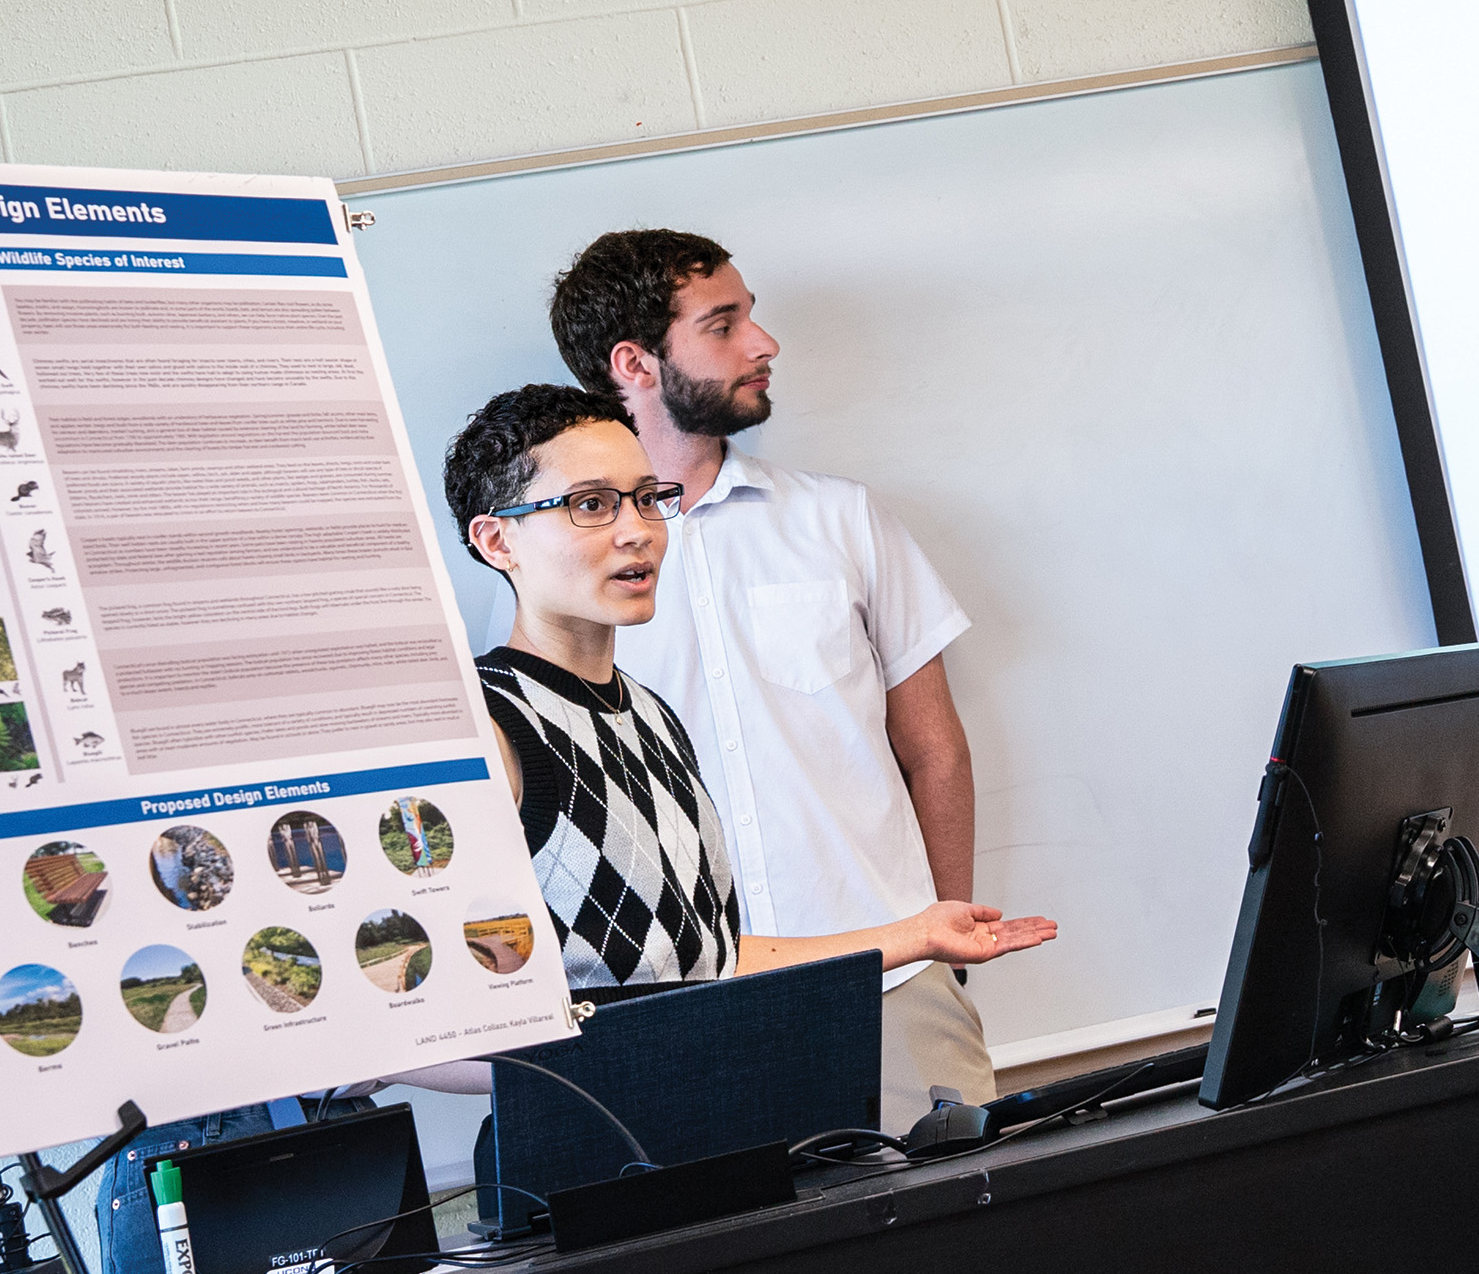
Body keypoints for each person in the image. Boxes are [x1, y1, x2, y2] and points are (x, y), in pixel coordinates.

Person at [548, 231, 997, 1124]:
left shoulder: (843, 521)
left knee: (966, 1248)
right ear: (634, 362)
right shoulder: (556, 571)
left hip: (893, 990)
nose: (764, 343)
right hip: (681, 1013)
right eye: (724, 324)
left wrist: (940, 948)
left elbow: (936, 751)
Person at [446, 383, 1052, 1013]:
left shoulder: (652, 719)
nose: (642, 531)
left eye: (648, 498)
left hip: (719, 1085)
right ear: (497, 542)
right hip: (598, 1109)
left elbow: (714, 958)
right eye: (592, 504)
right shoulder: (486, 729)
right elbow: (442, 1020)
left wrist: (916, 933)